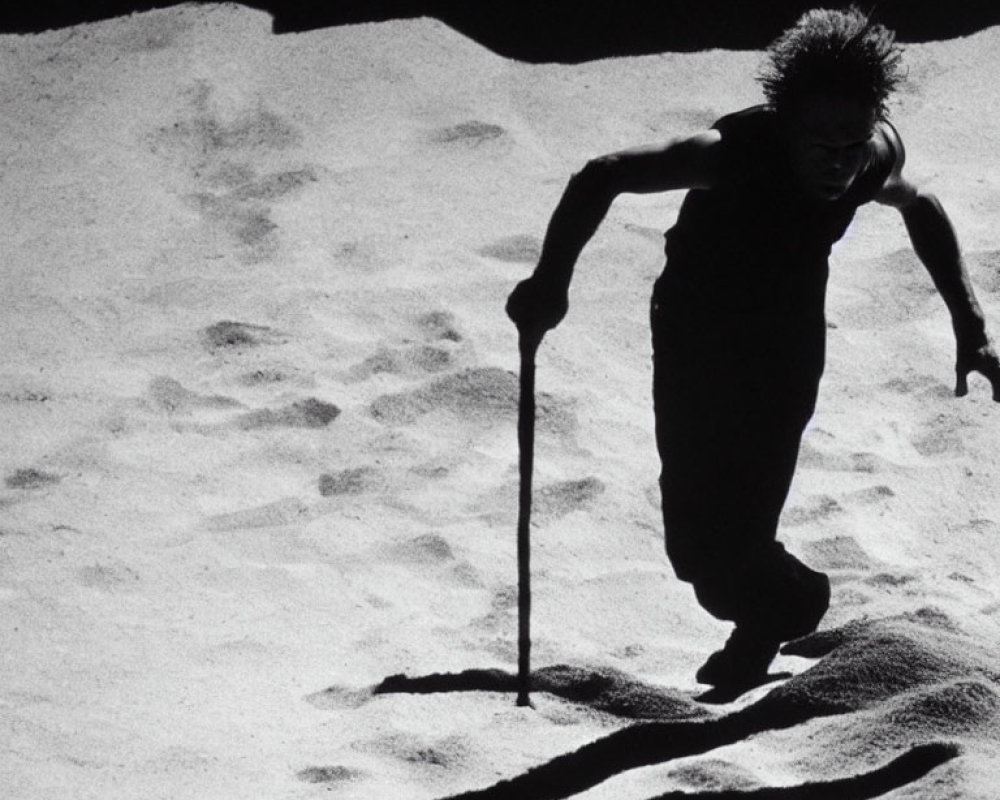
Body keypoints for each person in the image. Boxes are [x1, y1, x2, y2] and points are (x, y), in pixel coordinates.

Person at [506, 7, 1000, 690]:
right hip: (694, 336)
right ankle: (778, 605)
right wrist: (549, 282)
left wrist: (970, 326)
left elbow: (921, 207)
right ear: (783, 121)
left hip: (786, 342)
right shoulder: (734, 154)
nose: (837, 162)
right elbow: (605, 173)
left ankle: (778, 615)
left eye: (851, 143)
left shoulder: (870, 158)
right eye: (819, 142)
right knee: (696, 554)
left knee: (743, 537)